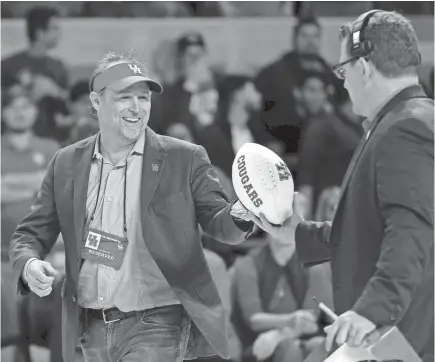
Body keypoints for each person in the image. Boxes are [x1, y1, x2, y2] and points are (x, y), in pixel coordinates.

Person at [9, 51, 254, 362]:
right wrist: (29, 265)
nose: (137, 108)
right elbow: (29, 234)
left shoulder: (184, 157)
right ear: (96, 102)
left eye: (144, 97)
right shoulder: (66, 163)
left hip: (157, 321)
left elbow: (220, 223)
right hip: (91, 325)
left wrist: (240, 213)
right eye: (125, 97)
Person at [239, 10, 434, 361]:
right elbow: (371, 231)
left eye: (343, 70)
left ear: (364, 67)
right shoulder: (404, 120)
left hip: (399, 334)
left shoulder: (406, 128)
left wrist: (371, 310)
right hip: (394, 331)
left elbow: (411, 231)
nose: (341, 83)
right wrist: (299, 233)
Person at [232, 234, 333, 362]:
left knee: (319, 345)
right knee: (289, 349)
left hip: (303, 336)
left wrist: (279, 335)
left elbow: (309, 320)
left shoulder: (315, 266)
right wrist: (290, 320)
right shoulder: (248, 264)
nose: (284, 229)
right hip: (257, 339)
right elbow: (254, 319)